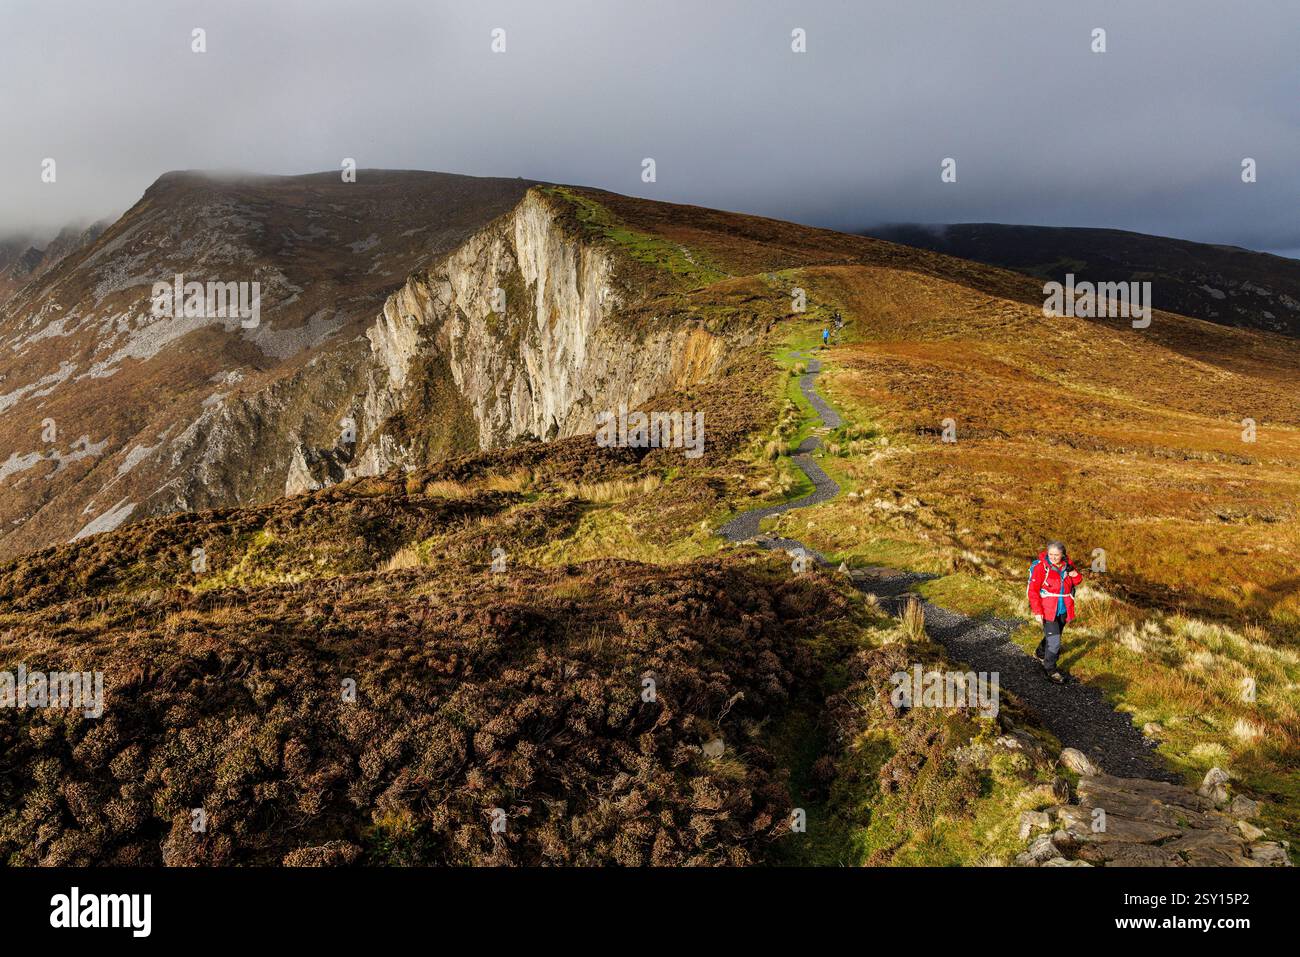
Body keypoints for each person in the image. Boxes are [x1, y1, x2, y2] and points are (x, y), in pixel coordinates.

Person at [1027, 540, 1083, 683]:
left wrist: (1073, 573)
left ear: (1063, 554)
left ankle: (1040, 653)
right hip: (1047, 609)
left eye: (1056, 555)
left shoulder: (1067, 565)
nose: (1053, 557)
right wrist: (1037, 612)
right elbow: (1033, 591)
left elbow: (1077, 581)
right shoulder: (1041, 568)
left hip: (1064, 608)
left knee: (1054, 635)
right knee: (1055, 641)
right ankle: (1050, 670)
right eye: (1050, 554)